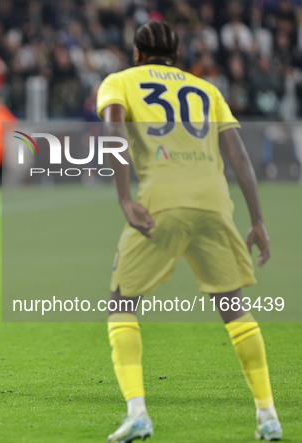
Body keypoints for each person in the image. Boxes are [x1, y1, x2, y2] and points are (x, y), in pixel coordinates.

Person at [96, 21, 282, 442]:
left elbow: (113, 133)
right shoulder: (208, 90)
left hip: (162, 203)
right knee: (234, 307)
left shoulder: (120, 81)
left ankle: (138, 412)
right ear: (177, 57)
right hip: (215, 204)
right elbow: (239, 157)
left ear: (138, 54)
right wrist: (257, 220)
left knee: (122, 303)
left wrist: (126, 200)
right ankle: (268, 415)